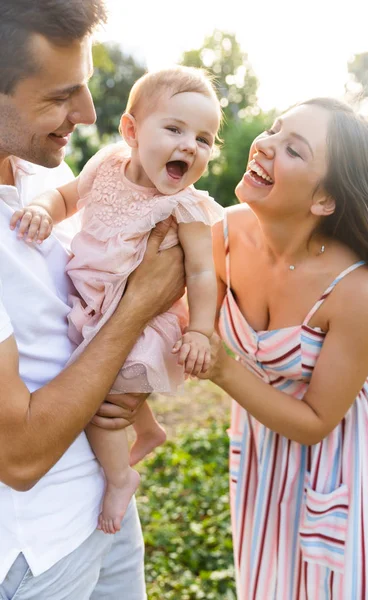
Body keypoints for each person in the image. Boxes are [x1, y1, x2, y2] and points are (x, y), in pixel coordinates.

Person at [0, 1, 185, 598]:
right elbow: (20, 457)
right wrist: (139, 304)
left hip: (104, 507)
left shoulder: (40, 172)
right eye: (60, 96)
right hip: (38, 551)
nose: (87, 113)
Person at [10, 66, 224, 534]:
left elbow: (204, 273)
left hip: (147, 323)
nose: (190, 145)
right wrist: (42, 211)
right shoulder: (106, 166)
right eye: (174, 129)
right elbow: (65, 198)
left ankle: (120, 477)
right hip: (94, 307)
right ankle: (147, 430)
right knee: (101, 381)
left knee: (98, 406)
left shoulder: (186, 207)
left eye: (204, 139)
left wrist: (200, 331)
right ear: (130, 131)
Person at [202, 98, 368, 599]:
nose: (264, 144)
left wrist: (221, 367)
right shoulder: (219, 235)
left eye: (293, 149)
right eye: (273, 129)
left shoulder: (358, 289)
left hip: (340, 457)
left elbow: (315, 423)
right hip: (261, 452)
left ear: (324, 201)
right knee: (271, 581)